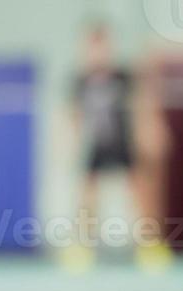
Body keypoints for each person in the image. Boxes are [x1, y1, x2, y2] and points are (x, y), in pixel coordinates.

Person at [67, 24, 172, 272]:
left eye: (102, 46)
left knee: (138, 193)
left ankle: (149, 245)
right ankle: (81, 246)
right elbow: (73, 115)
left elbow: (141, 108)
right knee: (87, 196)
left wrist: (151, 132)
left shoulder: (123, 78)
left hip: (123, 143)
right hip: (97, 145)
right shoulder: (80, 81)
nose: (98, 52)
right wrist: (70, 143)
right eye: (93, 46)